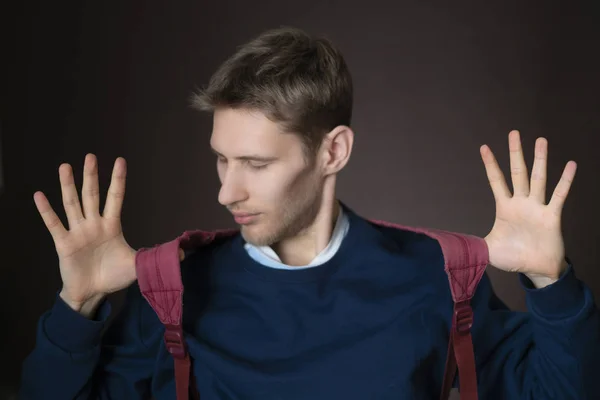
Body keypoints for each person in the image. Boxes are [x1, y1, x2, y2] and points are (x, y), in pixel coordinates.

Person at [20, 26, 600, 400]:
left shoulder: (437, 276)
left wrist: (551, 284)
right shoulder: (171, 288)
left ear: (333, 151)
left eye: (255, 163)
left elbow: (565, 391)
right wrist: (78, 306)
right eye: (222, 160)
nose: (227, 191)